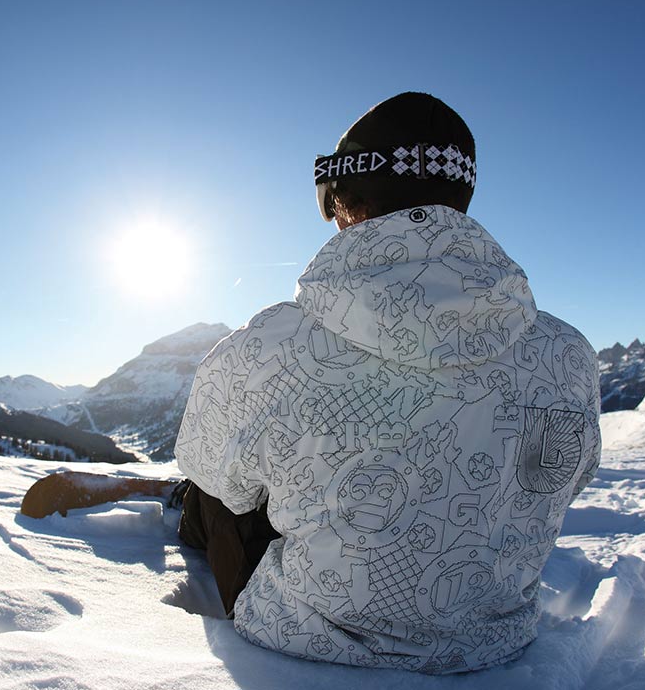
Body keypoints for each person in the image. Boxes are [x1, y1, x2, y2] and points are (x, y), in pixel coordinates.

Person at [175, 92, 601, 674]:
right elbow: (569, 479)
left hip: (298, 642)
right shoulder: (568, 353)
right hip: (495, 643)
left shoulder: (268, 345)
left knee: (217, 488)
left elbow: (213, 470)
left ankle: (181, 510)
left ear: (346, 201)